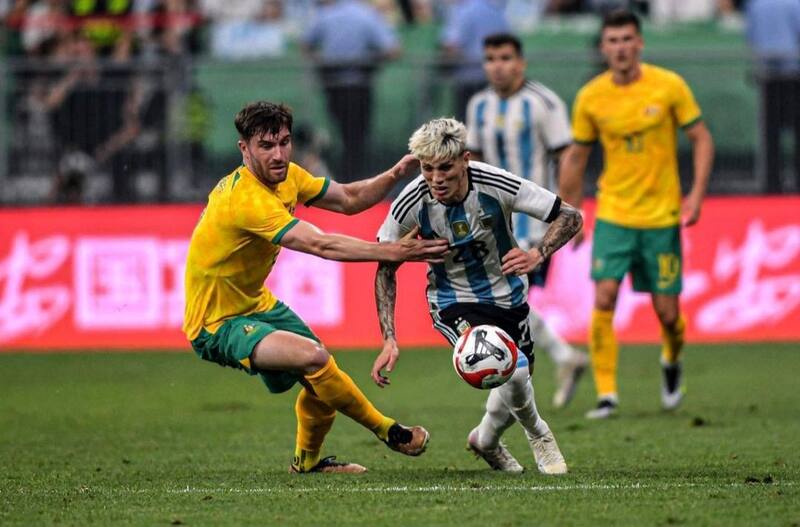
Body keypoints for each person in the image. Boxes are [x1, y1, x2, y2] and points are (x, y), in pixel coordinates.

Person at [182, 101, 450, 473]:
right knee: (315, 359)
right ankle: (387, 429)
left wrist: (393, 175)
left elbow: (350, 199)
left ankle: (307, 462)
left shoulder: (288, 175)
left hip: (256, 304)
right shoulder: (244, 200)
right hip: (216, 322)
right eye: (266, 146)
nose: (278, 155)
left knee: (321, 376)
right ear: (244, 149)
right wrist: (395, 250)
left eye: (284, 143)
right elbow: (320, 244)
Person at [373, 118, 582, 473]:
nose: (436, 178)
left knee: (516, 379)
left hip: (509, 296)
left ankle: (485, 440)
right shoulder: (412, 199)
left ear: (465, 160)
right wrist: (389, 337)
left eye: (445, 168)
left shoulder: (495, 183)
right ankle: (541, 435)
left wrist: (537, 254)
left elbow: (570, 216)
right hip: (452, 300)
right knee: (509, 368)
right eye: (427, 169)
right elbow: (384, 264)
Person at [558, 10, 714, 419]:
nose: (621, 47)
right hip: (613, 213)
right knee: (604, 297)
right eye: (612, 40)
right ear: (603, 47)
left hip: (661, 216)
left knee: (667, 313)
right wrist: (569, 214)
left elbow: (701, 138)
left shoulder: (668, 86)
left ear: (639, 43)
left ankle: (672, 360)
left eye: (628, 39)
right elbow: (577, 157)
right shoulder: (591, 96)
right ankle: (607, 394)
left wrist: (695, 195)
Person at [465, 32, 588, 409]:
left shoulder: (543, 102)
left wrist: (569, 211)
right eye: (490, 58)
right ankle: (561, 356)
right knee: (506, 302)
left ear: (521, 62)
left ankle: (520, 383)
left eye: (504, 58)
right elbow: (473, 161)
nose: (497, 66)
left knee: (505, 302)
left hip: (533, 220)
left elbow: (567, 156)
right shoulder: (478, 105)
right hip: (491, 221)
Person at [301, 0, 401, 183]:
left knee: (344, 135)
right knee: (356, 137)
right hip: (358, 86)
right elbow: (393, 50)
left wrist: (322, 62)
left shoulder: (326, 14)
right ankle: (354, 181)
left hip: (333, 86)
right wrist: (370, 62)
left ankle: (343, 180)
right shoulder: (367, 15)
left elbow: (306, 45)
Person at [745, 0, 800, 193]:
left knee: (770, 133)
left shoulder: (755, 5)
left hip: (767, 75)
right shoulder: (795, 4)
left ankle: (771, 183)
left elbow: (750, 36)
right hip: (793, 74)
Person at [439, 0, 508, 121]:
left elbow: (452, 45)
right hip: (493, 79)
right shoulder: (496, 11)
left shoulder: (464, 10)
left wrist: (442, 66)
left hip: (468, 80)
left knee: (466, 125)